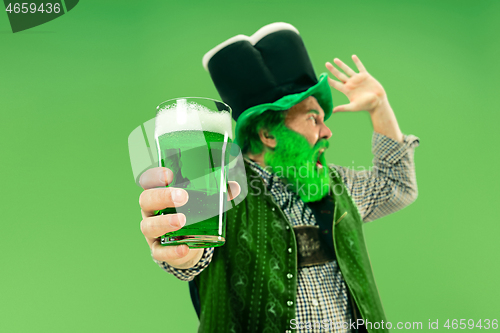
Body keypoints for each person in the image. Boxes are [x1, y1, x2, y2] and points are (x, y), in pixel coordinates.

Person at [138, 23, 419, 333]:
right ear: (268, 133)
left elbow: (397, 185)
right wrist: (181, 252)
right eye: (313, 118)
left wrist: (380, 107)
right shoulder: (221, 189)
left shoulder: (335, 185)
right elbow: (190, 253)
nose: (327, 132)